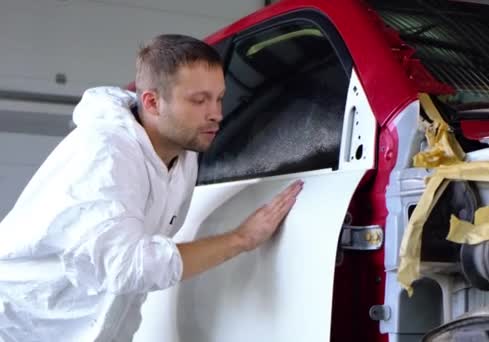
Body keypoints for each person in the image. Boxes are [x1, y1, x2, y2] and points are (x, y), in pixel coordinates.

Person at [0, 34, 303, 341]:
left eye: (219, 98)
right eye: (199, 100)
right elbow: (128, 265)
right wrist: (242, 238)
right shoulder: (105, 154)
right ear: (152, 102)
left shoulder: (184, 155)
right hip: (21, 326)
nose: (217, 114)